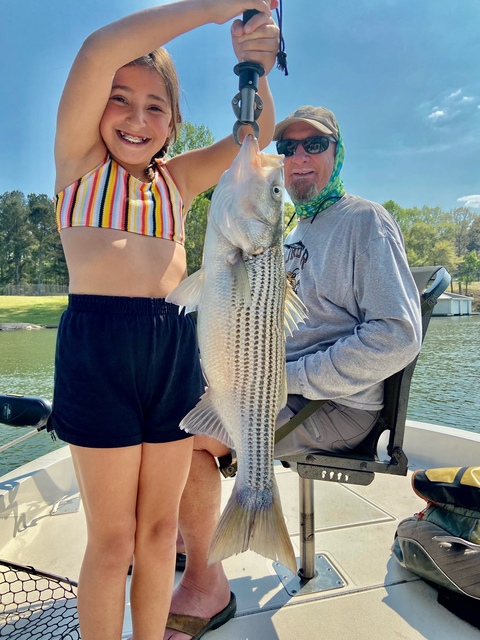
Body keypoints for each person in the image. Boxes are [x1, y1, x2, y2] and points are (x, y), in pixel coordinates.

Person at [51, 2, 280, 639]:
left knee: (158, 532)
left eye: (156, 106)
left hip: (174, 349)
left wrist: (255, 66)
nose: (136, 118)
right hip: (99, 350)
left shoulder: (175, 182)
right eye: (120, 99)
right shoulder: (79, 166)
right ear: (95, 107)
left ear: (174, 122)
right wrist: (211, 9)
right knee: (113, 538)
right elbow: (97, 52)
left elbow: (253, 137)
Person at [164, 105, 422, 640]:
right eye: (288, 148)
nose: (298, 158)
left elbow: (397, 334)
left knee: (181, 438)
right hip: (275, 391)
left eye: (315, 145)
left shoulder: (364, 221)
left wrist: (286, 376)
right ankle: (196, 532)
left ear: (337, 152)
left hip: (337, 407)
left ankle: (207, 585)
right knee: (177, 403)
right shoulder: (293, 229)